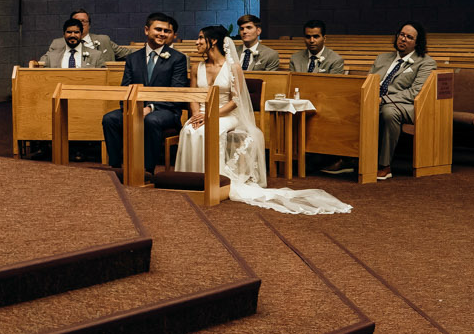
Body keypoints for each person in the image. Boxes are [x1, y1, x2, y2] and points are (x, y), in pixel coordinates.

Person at [172, 25, 349, 215]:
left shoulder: (233, 67)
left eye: (200, 38)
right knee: (189, 129)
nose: (197, 42)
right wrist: (195, 114)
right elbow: (193, 95)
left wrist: (210, 116)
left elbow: (237, 100)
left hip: (225, 114)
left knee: (210, 130)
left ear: (213, 41)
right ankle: (191, 178)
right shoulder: (196, 67)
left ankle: (214, 180)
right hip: (201, 113)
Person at [101, 12, 188, 173]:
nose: (162, 34)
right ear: (146, 30)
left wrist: (151, 108)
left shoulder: (177, 59)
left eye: (166, 31)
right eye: (158, 29)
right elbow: (125, 88)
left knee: (151, 121)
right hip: (136, 107)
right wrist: (131, 107)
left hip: (166, 111)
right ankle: (115, 168)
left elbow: (177, 92)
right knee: (110, 119)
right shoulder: (133, 58)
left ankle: (147, 170)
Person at [371, 22, 434, 180]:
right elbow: (369, 81)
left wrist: (383, 99)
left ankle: (384, 165)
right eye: (401, 35)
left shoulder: (425, 62)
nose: (403, 39)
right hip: (376, 99)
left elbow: (415, 93)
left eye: (409, 37)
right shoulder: (382, 58)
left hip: (408, 106)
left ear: (417, 43)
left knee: (388, 112)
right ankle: (348, 159)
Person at [34, 16, 113, 69]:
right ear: (64, 34)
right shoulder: (52, 57)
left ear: (81, 34)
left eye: (76, 32)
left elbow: (102, 79)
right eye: (69, 32)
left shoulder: (96, 55)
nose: (73, 35)